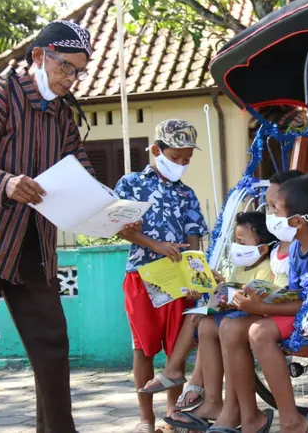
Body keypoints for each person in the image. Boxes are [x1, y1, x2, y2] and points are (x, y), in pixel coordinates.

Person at [0, 20, 102, 433]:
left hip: (35, 245)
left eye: (79, 71)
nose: (71, 78)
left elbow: (77, 168)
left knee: (52, 346)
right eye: (66, 67)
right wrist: (6, 183)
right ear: (38, 57)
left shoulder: (63, 115)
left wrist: (108, 206)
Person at [210, 174, 308, 433]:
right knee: (229, 328)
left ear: (297, 221)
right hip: (298, 310)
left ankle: (292, 421)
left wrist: (262, 309)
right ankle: (249, 417)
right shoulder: (297, 247)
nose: (270, 215)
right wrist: (257, 300)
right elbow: (296, 294)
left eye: (275, 209)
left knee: (259, 331)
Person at [116, 119, 209, 433]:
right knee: (143, 348)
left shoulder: (188, 194)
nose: (181, 164)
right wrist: (156, 245)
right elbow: (121, 227)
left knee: (175, 350)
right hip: (142, 276)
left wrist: (196, 279)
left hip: (179, 281)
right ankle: (146, 418)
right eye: (175, 157)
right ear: (156, 150)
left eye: (186, 159)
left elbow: (195, 238)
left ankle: (173, 416)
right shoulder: (130, 184)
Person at [160, 211, 277, 431]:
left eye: (241, 242)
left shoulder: (265, 268)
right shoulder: (241, 267)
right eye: (235, 241)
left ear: (262, 248)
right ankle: (212, 401)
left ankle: (185, 377)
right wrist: (219, 286)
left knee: (222, 327)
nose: (236, 246)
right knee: (204, 323)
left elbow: (257, 299)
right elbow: (232, 292)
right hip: (235, 316)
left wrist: (229, 296)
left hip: (252, 319)